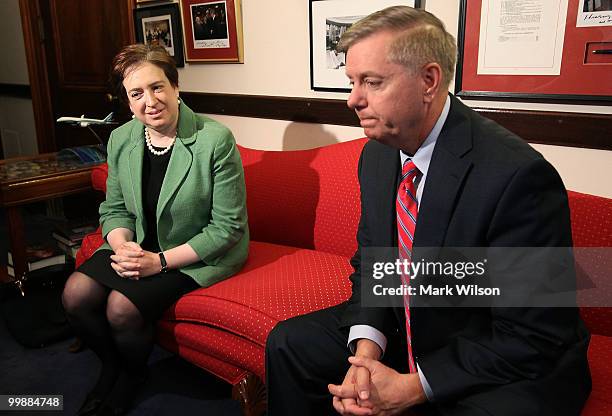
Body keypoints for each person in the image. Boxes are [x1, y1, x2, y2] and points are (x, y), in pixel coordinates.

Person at [265, 6, 591, 416]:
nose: (353, 99)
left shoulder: (518, 176)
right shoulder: (377, 156)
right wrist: (365, 355)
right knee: (288, 344)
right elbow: (373, 263)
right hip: (413, 319)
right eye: (352, 81)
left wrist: (415, 386)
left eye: (371, 82)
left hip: (499, 348)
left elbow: (534, 334)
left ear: (429, 81)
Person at [62, 44, 248, 416]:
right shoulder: (121, 139)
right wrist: (122, 246)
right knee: (75, 293)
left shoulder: (215, 139)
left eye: (158, 87)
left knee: (121, 308)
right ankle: (112, 365)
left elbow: (227, 228)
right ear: (127, 103)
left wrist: (158, 262)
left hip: (195, 252)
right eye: (137, 93)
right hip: (138, 245)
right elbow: (113, 209)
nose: (151, 101)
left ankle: (132, 376)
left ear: (176, 87)